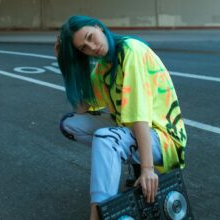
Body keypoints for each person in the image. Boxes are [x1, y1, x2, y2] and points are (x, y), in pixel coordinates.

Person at [54, 15, 187, 220]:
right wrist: (65, 64)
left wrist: (148, 169)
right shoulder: (103, 66)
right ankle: (121, 156)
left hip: (162, 137)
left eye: (91, 37)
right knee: (70, 124)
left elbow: (139, 114)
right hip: (133, 129)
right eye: (83, 48)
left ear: (98, 27)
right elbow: (82, 108)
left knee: (106, 138)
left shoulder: (131, 50)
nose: (92, 47)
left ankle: (96, 213)